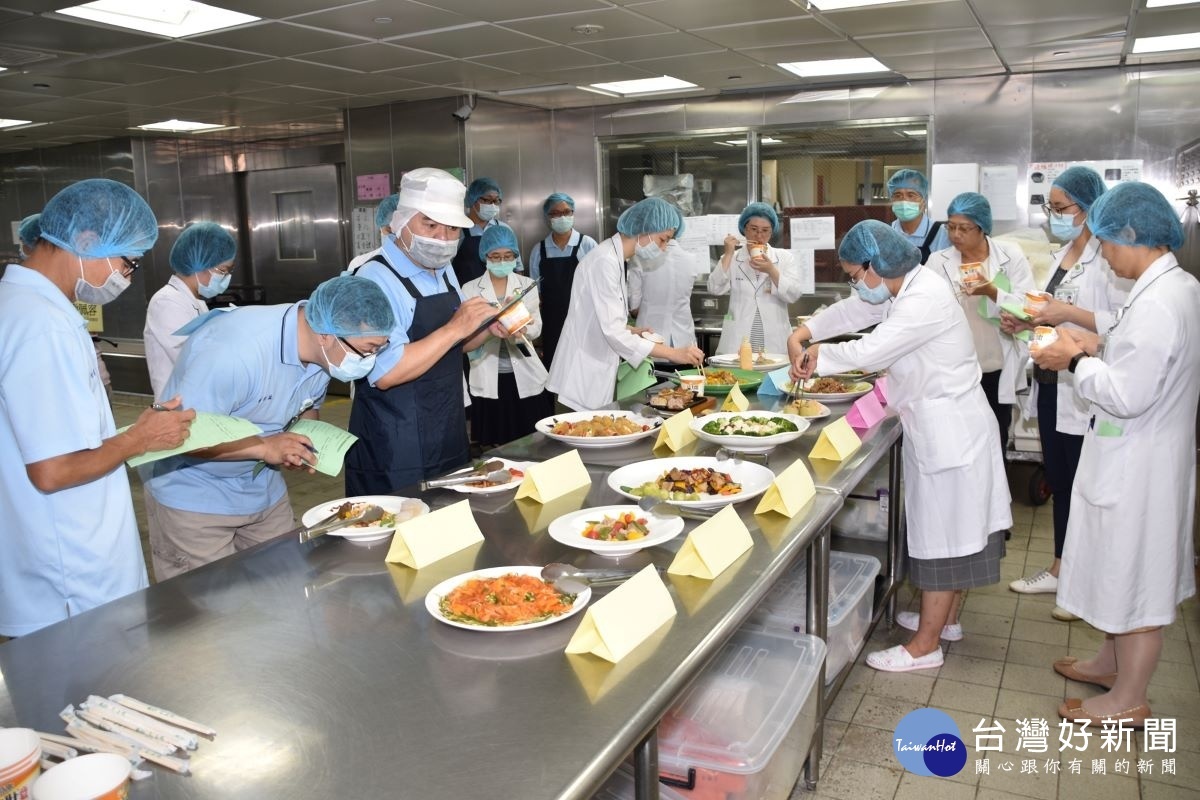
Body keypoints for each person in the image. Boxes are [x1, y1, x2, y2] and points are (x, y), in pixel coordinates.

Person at [788, 220, 1012, 672]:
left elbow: (873, 350)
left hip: (950, 430)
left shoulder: (923, 297)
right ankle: (944, 620)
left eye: (855, 275)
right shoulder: (904, 286)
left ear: (875, 266)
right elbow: (853, 313)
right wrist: (805, 332)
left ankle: (924, 647)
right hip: (942, 424)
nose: (855, 285)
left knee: (944, 536)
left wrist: (817, 357)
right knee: (954, 528)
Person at [1029, 182, 1198, 726]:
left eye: (1107, 244)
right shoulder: (1171, 288)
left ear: (1132, 235)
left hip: (1140, 463)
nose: (1103, 254)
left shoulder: (1161, 303)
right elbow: (1129, 345)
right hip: (1135, 455)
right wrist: (1086, 340)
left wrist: (1072, 362)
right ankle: (1109, 663)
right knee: (1116, 568)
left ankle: (1130, 698)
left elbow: (1128, 393)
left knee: (1137, 578)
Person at [0, 178, 194, 635]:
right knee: (89, 693)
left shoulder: (20, 304)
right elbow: (53, 470)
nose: (126, 275)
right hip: (71, 572)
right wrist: (139, 438)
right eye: (128, 261)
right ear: (86, 241)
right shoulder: (42, 325)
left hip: (46, 554)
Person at [142, 275, 394, 580]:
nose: (370, 360)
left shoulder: (323, 351)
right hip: (196, 497)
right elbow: (184, 435)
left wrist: (300, 444)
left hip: (261, 489)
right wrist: (265, 447)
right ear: (326, 335)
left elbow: (306, 405)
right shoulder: (233, 352)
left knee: (285, 586)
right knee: (208, 612)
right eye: (367, 350)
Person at [1002, 167, 1130, 613]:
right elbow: (1052, 314)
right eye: (1050, 207)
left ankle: (1080, 580)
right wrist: (1026, 321)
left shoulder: (1113, 259)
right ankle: (1061, 569)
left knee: (1082, 484)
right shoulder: (1064, 254)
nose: (1054, 215)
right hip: (1055, 381)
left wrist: (1063, 311)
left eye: (1061, 208)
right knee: (1060, 479)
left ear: (1090, 206)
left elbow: (1120, 324)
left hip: (1087, 385)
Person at [346, 168, 500, 494]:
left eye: (452, 229)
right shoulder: (372, 279)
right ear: (400, 222)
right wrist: (456, 328)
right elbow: (386, 372)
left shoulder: (441, 270)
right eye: (430, 225)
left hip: (446, 429)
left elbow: (453, 345)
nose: (442, 239)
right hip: (395, 442)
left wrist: (487, 329)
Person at [546, 197, 705, 411]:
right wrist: (673, 353)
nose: (664, 248)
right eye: (663, 239)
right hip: (580, 379)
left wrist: (633, 331)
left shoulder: (615, 259)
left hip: (594, 373)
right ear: (644, 230)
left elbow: (600, 319)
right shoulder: (605, 262)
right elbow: (612, 332)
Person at [925, 192, 1034, 453]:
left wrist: (992, 291)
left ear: (982, 227)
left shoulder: (1010, 256)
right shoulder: (937, 262)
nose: (955, 235)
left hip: (994, 367)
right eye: (950, 227)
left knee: (994, 441)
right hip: (954, 370)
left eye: (964, 228)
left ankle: (996, 494)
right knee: (958, 444)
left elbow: (1030, 308)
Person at [463, 225, 552, 446]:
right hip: (488, 374)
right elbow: (465, 334)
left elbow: (536, 327)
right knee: (495, 444)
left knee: (534, 441)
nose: (502, 261)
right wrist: (491, 327)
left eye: (508, 256)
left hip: (525, 372)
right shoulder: (471, 289)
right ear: (485, 256)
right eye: (495, 256)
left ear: (515, 256)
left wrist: (521, 328)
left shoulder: (526, 285)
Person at [143, 221, 237, 399]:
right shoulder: (166, 302)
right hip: (176, 407)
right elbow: (191, 359)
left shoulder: (196, 301)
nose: (225, 278)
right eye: (222, 271)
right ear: (200, 264)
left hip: (196, 403)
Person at [708, 202, 803, 355]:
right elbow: (714, 288)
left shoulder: (785, 258)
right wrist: (728, 254)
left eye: (765, 230)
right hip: (738, 342)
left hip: (774, 341)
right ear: (744, 230)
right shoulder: (732, 258)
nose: (759, 236)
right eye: (753, 229)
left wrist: (772, 270)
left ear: (772, 232)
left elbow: (793, 294)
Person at [529, 192, 598, 369]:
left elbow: (599, 285)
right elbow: (534, 293)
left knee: (581, 367)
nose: (562, 217)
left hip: (582, 318)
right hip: (551, 322)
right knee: (554, 367)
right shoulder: (539, 250)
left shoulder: (587, 244)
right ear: (548, 217)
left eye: (567, 212)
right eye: (556, 213)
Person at [629, 238, 697, 351]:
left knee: (653, 368)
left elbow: (634, 305)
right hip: (684, 340)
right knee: (684, 368)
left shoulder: (639, 258)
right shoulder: (691, 259)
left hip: (651, 340)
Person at [886, 169, 951, 262]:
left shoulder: (942, 235)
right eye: (897, 195)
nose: (904, 200)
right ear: (891, 200)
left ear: (924, 200)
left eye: (911, 195)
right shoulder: (886, 233)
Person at [451, 177, 506, 286]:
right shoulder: (458, 230)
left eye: (496, 201)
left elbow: (517, 266)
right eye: (487, 200)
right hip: (466, 296)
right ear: (472, 199)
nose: (492, 205)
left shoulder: (504, 229)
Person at [347, 193, 399, 274]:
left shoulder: (422, 265)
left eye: (399, 231)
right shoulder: (359, 264)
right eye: (390, 230)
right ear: (380, 229)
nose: (395, 236)